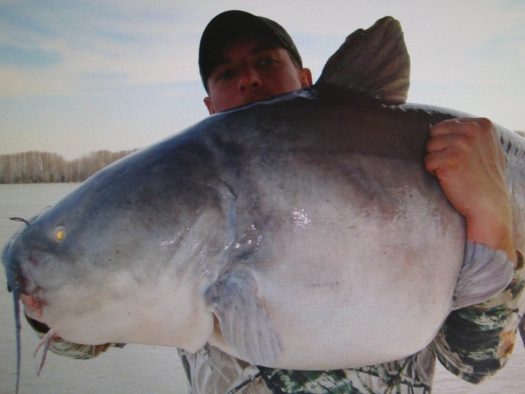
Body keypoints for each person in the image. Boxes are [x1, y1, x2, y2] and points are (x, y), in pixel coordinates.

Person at [25, 10, 524, 394]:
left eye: (265, 61)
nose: (248, 79)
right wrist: (42, 290)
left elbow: (476, 362)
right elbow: (83, 331)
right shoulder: (176, 189)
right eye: (225, 73)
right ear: (209, 104)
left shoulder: (456, 165)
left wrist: (494, 218)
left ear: (305, 78)